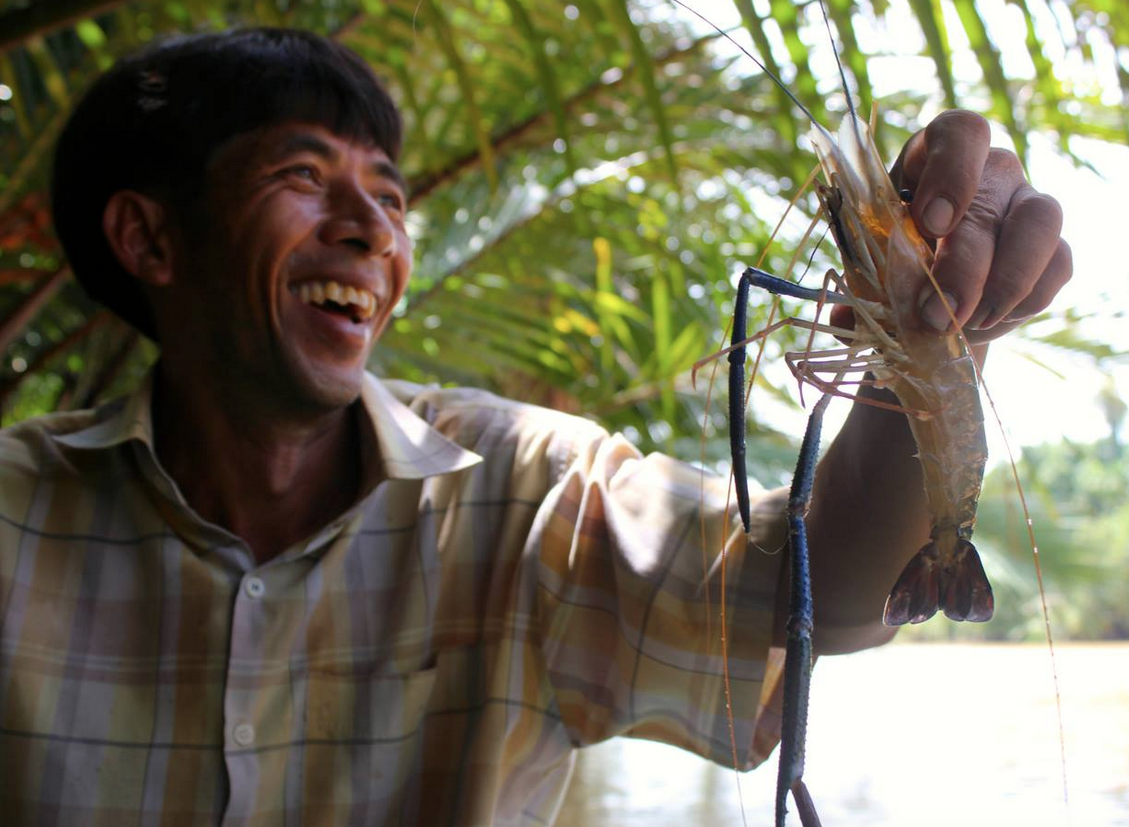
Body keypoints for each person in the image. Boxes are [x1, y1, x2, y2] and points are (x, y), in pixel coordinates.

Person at [0, 27, 1069, 826]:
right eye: (302, 178)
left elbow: (814, 590)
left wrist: (945, 328)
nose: (374, 230)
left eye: (389, 197)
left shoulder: (523, 481)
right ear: (147, 238)